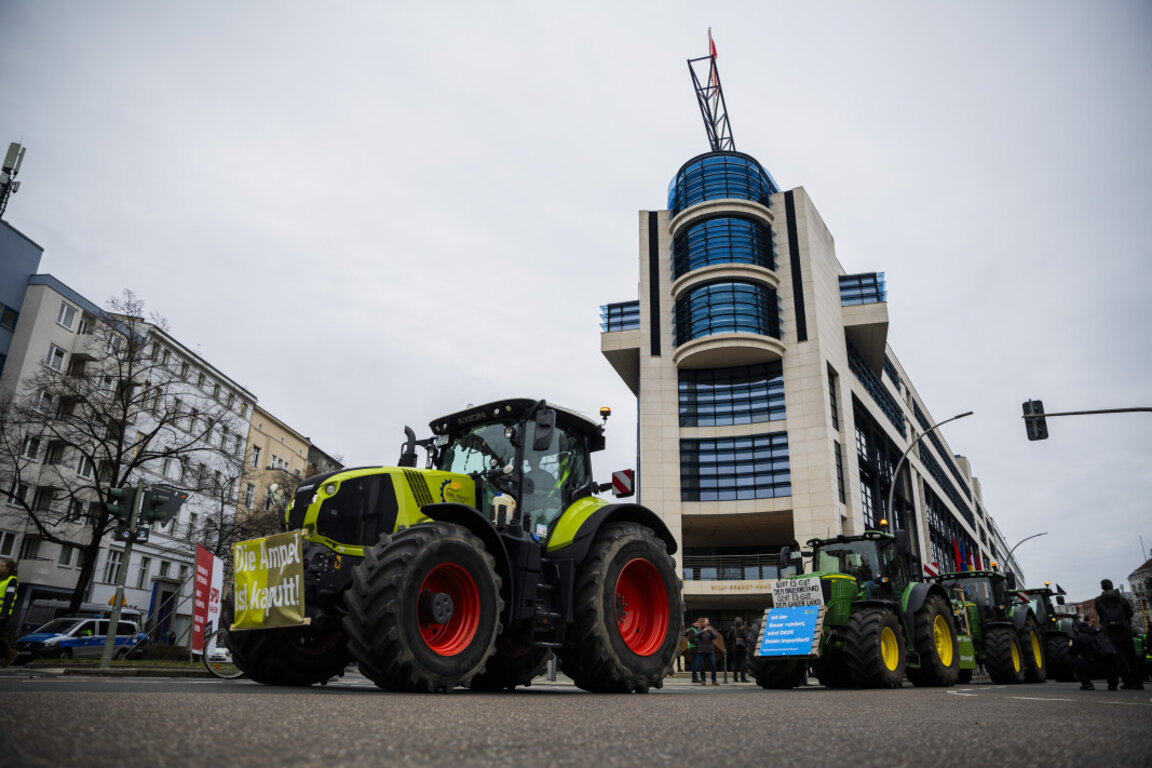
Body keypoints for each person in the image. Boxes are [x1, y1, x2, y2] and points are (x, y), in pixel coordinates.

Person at [1094, 579, 1143, 690]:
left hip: (1110, 633)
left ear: (1102, 587)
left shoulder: (1098, 600)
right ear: (1112, 585)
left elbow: (1100, 614)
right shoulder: (1122, 599)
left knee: (1116, 658)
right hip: (1125, 632)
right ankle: (1138, 682)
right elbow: (1130, 613)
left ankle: (1126, 681)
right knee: (1132, 658)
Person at [1068, 620, 1121, 691]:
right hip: (1111, 666)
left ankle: (1087, 684)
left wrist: (1071, 646)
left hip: (1094, 667)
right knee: (1108, 661)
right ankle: (1113, 683)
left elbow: (1072, 653)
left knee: (1072, 661)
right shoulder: (1102, 634)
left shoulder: (1082, 637)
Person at [0, 559, 19, 667]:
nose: (0, 567)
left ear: (8, 569)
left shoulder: (12, 581)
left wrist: (4, 614)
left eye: (2, 566)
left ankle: (9, 653)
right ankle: (9, 653)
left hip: (2, 615)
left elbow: (9, 598)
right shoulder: (2, 579)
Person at [693, 617, 718, 686]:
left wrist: (709, 631)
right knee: (701, 666)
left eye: (708, 621)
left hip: (710, 650)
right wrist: (702, 631)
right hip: (701, 651)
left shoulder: (711, 630)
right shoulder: (699, 630)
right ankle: (703, 680)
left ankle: (714, 680)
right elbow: (695, 636)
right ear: (703, 623)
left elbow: (715, 637)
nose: (707, 623)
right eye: (706, 621)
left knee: (713, 664)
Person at [729, 617, 749, 683]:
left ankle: (735, 678)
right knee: (742, 663)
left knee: (735, 663)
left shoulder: (732, 629)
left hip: (734, 648)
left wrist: (734, 641)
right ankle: (743, 678)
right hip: (742, 648)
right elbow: (746, 637)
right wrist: (746, 645)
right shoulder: (743, 628)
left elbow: (728, 637)